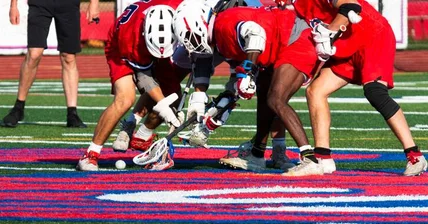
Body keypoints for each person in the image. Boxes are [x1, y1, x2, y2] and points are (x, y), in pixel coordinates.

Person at [281, 0, 427, 176]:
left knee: (375, 92)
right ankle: (323, 158)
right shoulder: (298, 5)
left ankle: (415, 155)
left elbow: (351, 5)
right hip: (347, 44)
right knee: (315, 91)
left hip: (372, 36)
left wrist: (329, 32)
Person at [173, 1, 319, 174]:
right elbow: (236, 84)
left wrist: (248, 72)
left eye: (193, 37)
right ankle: (257, 155)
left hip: (296, 38)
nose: (193, 43)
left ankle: (310, 158)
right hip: (280, 45)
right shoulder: (219, 39)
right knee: (265, 96)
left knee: (276, 99)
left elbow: (256, 33)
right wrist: (213, 115)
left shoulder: (223, 23)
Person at [76, 1, 184, 171]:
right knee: (125, 99)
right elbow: (145, 80)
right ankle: (90, 154)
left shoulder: (180, 8)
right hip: (120, 48)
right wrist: (166, 109)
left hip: (155, 41)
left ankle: (141, 136)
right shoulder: (130, 39)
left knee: (173, 91)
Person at [2, 0, 100, 128]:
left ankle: (72, 113)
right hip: (40, 3)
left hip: (68, 4)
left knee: (68, 57)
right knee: (34, 54)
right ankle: (18, 107)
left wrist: (94, 3)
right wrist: (13, 6)